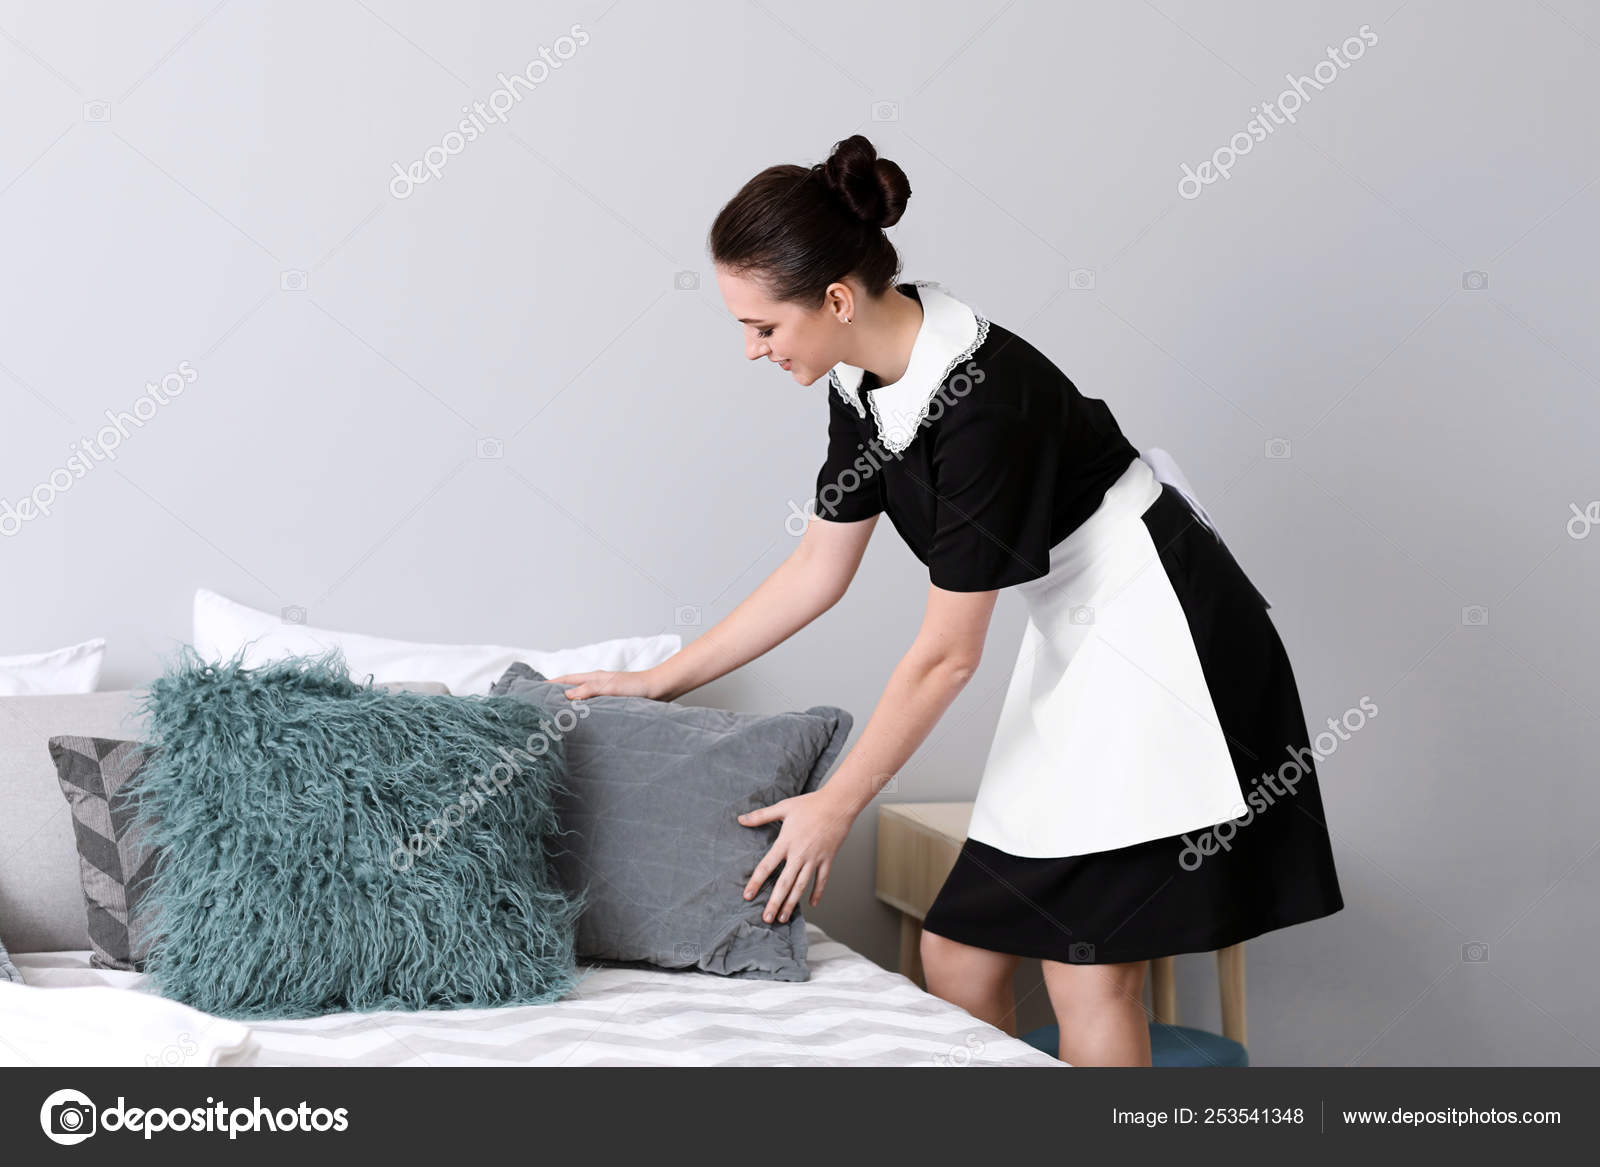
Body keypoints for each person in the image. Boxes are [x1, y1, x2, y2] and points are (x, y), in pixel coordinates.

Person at [547, 134, 1344, 1066]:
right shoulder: (863, 381)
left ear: (837, 300)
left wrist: (835, 803)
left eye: (763, 328)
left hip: (1165, 638)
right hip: (1083, 635)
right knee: (959, 951)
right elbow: (818, 568)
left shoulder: (980, 410)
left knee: (1088, 971)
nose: (755, 351)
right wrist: (659, 678)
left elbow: (947, 655)